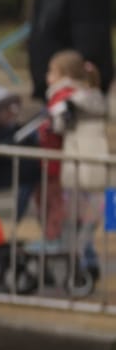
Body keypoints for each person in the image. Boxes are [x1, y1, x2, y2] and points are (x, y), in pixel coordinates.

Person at [43, 49, 109, 281]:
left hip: (79, 168)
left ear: (65, 75)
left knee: (77, 222)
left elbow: (58, 126)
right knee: (92, 222)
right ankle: (89, 263)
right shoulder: (94, 97)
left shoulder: (67, 100)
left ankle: (78, 267)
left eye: (51, 71)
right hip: (100, 170)